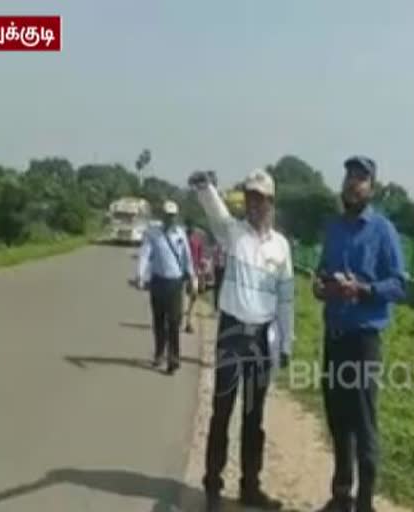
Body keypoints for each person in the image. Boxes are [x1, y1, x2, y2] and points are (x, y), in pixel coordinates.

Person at [188, 169, 294, 512]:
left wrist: (286, 342)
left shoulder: (281, 247)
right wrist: (205, 187)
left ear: (271, 202)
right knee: (222, 412)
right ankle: (213, 486)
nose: (253, 203)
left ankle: (250, 487)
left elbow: (286, 299)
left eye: (259, 198)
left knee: (253, 416)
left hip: (261, 339)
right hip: (232, 334)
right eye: (249, 197)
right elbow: (216, 211)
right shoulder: (233, 234)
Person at [313, 156, 406, 512]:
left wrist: (363, 290)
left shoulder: (383, 230)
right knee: (337, 417)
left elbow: (399, 284)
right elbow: (323, 270)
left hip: (364, 340)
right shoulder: (334, 227)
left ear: (372, 186)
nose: (353, 183)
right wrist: (321, 285)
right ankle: (341, 494)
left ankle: (365, 503)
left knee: (363, 421)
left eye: (361, 178)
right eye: (350, 176)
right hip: (334, 335)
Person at [136, 200, 198, 374]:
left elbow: (187, 258)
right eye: (167, 215)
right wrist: (140, 275)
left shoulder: (180, 235)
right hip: (158, 282)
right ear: (162, 216)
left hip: (175, 283)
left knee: (174, 322)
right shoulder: (153, 234)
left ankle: (174, 359)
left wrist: (193, 277)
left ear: (176, 216)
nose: (170, 219)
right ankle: (159, 353)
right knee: (159, 321)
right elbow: (144, 254)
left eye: (173, 216)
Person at [185, 222, 205, 333]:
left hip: (191, 271)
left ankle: (188, 322)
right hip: (192, 271)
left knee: (192, 297)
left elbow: (200, 257)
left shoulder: (187, 241)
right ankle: (188, 322)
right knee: (193, 297)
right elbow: (200, 258)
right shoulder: (196, 241)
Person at [212, 239, 226, 313]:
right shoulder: (217, 247)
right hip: (218, 268)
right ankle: (216, 306)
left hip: (222, 269)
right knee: (217, 288)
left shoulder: (225, 248)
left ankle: (219, 306)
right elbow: (214, 259)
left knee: (220, 288)